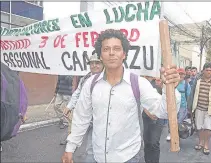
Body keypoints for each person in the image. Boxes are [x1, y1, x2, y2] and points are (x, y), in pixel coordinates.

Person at [62, 29, 181, 163]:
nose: (111, 53)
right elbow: (81, 117)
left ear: (124, 54)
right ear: (100, 55)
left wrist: (170, 88)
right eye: (106, 49)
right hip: (97, 156)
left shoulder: (138, 83)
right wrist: (70, 148)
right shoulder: (91, 84)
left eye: (117, 48)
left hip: (129, 157)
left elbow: (163, 111)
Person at [60, 53, 104, 146]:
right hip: (86, 116)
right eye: (92, 63)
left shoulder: (108, 79)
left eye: (97, 63)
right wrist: (69, 107)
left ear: (103, 64)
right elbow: (77, 93)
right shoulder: (85, 78)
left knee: (96, 146)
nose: (94, 65)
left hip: (101, 119)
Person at [188, 62, 211, 155]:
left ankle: (206, 145)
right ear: (203, 71)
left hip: (210, 109)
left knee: (208, 128)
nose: (209, 72)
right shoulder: (198, 80)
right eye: (207, 70)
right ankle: (200, 142)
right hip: (198, 107)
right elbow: (192, 93)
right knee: (199, 127)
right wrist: (190, 107)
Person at [142, 76, 166, 163]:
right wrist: (148, 112)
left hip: (158, 117)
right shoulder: (144, 83)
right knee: (147, 142)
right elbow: (141, 100)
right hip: (146, 116)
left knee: (154, 142)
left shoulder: (163, 84)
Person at [166, 68, 191, 141]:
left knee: (179, 122)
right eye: (179, 74)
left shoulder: (186, 85)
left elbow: (189, 97)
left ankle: (177, 135)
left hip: (182, 107)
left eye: (182, 74)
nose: (180, 75)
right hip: (173, 105)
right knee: (170, 120)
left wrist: (188, 108)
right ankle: (170, 133)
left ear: (184, 75)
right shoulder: (172, 83)